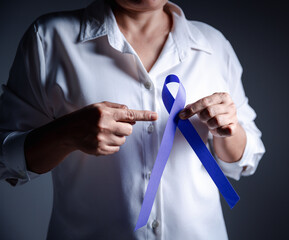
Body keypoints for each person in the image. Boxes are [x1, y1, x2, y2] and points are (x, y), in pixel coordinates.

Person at [0, 0, 265, 239]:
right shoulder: (48, 39)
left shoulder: (214, 45)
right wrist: (66, 134)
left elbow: (246, 158)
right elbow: (6, 159)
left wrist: (230, 128)